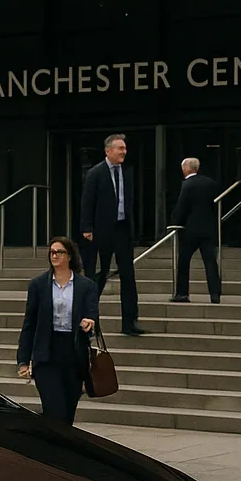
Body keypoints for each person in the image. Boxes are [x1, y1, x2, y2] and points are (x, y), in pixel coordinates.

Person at [16, 237, 99, 426]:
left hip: (73, 353)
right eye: (51, 252)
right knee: (55, 409)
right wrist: (23, 359)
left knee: (68, 413)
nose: (54, 256)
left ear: (69, 256)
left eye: (59, 252)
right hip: (46, 353)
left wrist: (89, 321)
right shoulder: (38, 285)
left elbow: (92, 312)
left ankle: (59, 450)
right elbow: (29, 324)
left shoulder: (86, 286)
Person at [80, 134, 143, 336]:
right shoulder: (95, 173)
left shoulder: (127, 171)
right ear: (108, 151)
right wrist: (87, 227)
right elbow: (87, 201)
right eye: (120, 148)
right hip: (101, 231)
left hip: (123, 229)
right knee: (99, 275)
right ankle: (91, 322)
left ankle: (130, 322)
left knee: (128, 275)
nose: (124, 152)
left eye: (125, 148)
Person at [171, 157, 222, 303]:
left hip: (191, 229)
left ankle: (182, 293)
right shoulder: (210, 183)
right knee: (210, 262)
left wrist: (176, 223)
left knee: (184, 260)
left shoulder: (187, 184)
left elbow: (182, 206)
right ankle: (215, 293)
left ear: (186, 168)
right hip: (208, 228)